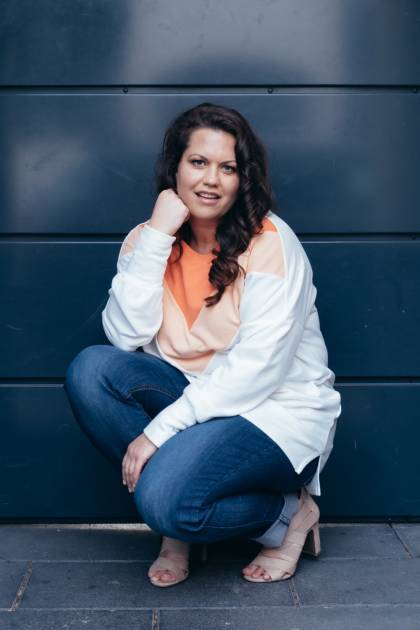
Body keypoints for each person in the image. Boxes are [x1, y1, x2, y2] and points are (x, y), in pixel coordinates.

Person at [64, 102, 342, 588]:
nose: (211, 180)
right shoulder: (148, 240)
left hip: (275, 411)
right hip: (194, 401)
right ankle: (178, 523)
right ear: (175, 168)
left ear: (242, 179)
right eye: (198, 162)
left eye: (227, 167)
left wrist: (158, 433)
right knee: (92, 371)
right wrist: (157, 236)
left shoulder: (271, 243)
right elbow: (125, 335)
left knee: (164, 502)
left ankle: (287, 516)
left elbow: (257, 371)